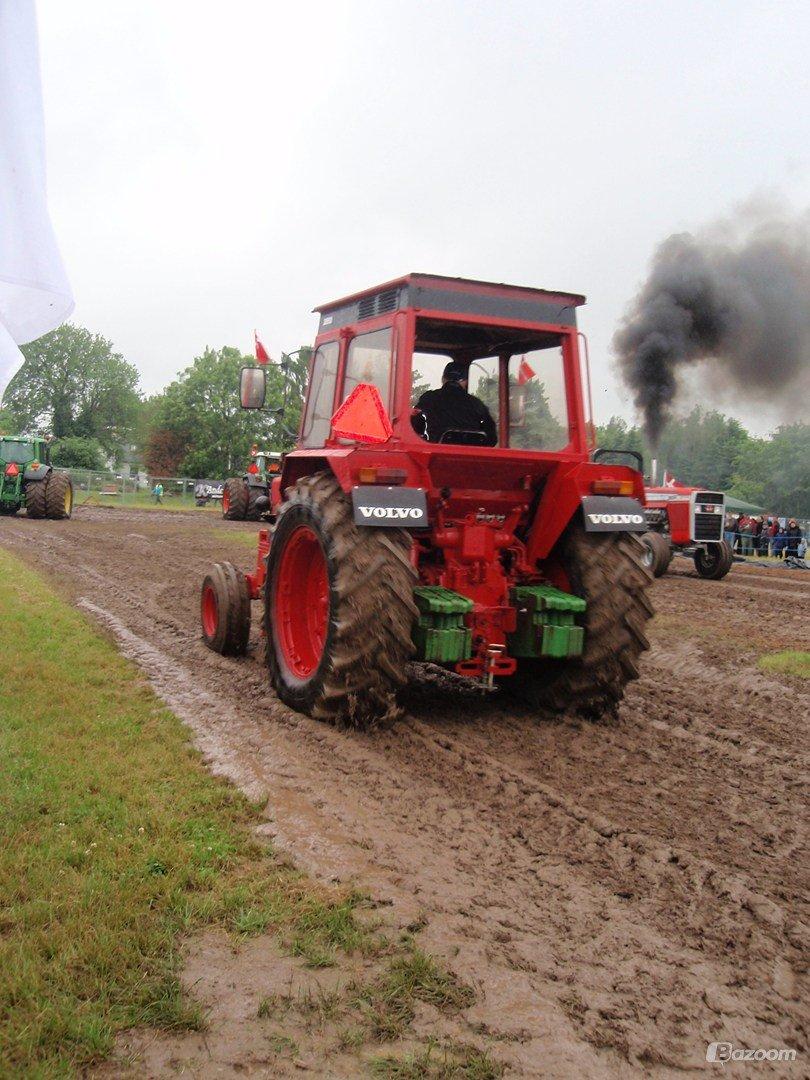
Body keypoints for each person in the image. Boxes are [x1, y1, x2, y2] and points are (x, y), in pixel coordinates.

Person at [413, 362, 498, 445]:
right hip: (471, 456)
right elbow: (492, 438)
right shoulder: (476, 403)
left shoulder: (429, 398)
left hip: (437, 454)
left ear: (443, 379)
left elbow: (414, 421)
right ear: (465, 381)